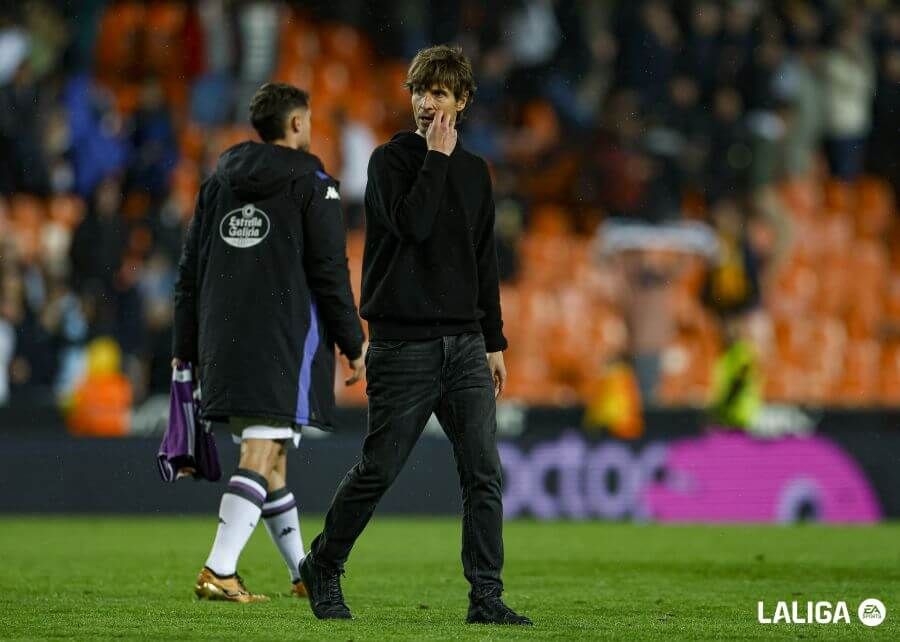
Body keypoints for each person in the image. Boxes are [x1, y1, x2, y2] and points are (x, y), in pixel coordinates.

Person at [300, 45, 532, 627]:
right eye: (421, 92)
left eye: (441, 94)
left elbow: (483, 262)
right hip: (403, 345)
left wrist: (494, 341)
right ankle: (323, 564)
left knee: (483, 472)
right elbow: (414, 225)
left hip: (464, 344)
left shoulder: (477, 174)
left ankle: (486, 596)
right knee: (379, 468)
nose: (429, 103)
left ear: (463, 101)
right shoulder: (390, 162)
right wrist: (434, 158)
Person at [172, 83, 365, 603]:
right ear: (298, 124)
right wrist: (353, 340)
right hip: (282, 337)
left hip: (223, 338)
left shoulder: (216, 184)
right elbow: (329, 269)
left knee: (272, 456)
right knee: (263, 447)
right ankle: (219, 568)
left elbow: (189, 271)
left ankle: (304, 572)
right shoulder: (314, 183)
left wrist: (184, 345)